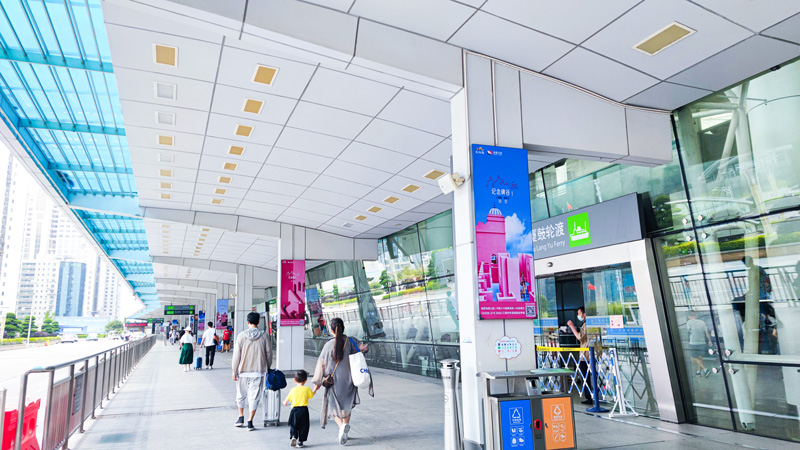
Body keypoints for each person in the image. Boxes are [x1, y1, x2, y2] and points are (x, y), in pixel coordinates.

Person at [311, 317, 373, 445]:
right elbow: (364, 348)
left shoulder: (328, 345)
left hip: (334, 381)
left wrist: (317, 383)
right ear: (343, 328)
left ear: (331, 330)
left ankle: (342, 427)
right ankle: (345, 429)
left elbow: (321, 364)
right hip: (350, 379)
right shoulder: (351, 341)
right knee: (347, 406)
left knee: (333, 407)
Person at [232, 312, 273, 431]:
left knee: (240, 394)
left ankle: (240, 417)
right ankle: (250, 421)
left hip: (243, 371)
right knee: (254, 396)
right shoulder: (264, 335)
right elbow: (269, 353)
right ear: (258, 322)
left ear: (248, 322)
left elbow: (236, 355)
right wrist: (267, 367)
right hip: (258, 371)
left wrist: (234, 371)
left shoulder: (241, 336)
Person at [283, 370, 317, 447]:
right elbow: (311, 395)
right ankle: (300, 442)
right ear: (306, 380)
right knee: (304, 426)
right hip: (304, 410)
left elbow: (288, 398)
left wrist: (285, 402)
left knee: (294, 425)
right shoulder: (307, 389)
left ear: (294, 380)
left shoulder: (293, 390)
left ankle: (294, 436)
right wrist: (315, 389)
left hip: (295, 410)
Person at [567, 306, 594, 405]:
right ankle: (592, 395)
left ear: (584, 314)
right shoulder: (589, 324)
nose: (578, 315)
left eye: (579, 313)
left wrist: (572, 326)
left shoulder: (586, 325)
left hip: (586, 356)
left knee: (586, 376)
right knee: (589, 376)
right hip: (589, 354)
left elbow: (579, 337)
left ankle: (589, 397)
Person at [687, 312, 712, 377]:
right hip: (702, 342)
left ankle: (705, 369)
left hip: (693, 342)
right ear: (696, 316)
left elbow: (689, 331)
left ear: (690, 317)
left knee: (693, 357)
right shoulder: (702, 322)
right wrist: (709, 341)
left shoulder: (689, 322)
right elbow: (706, 332)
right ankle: (698, 372)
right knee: (699, 357)